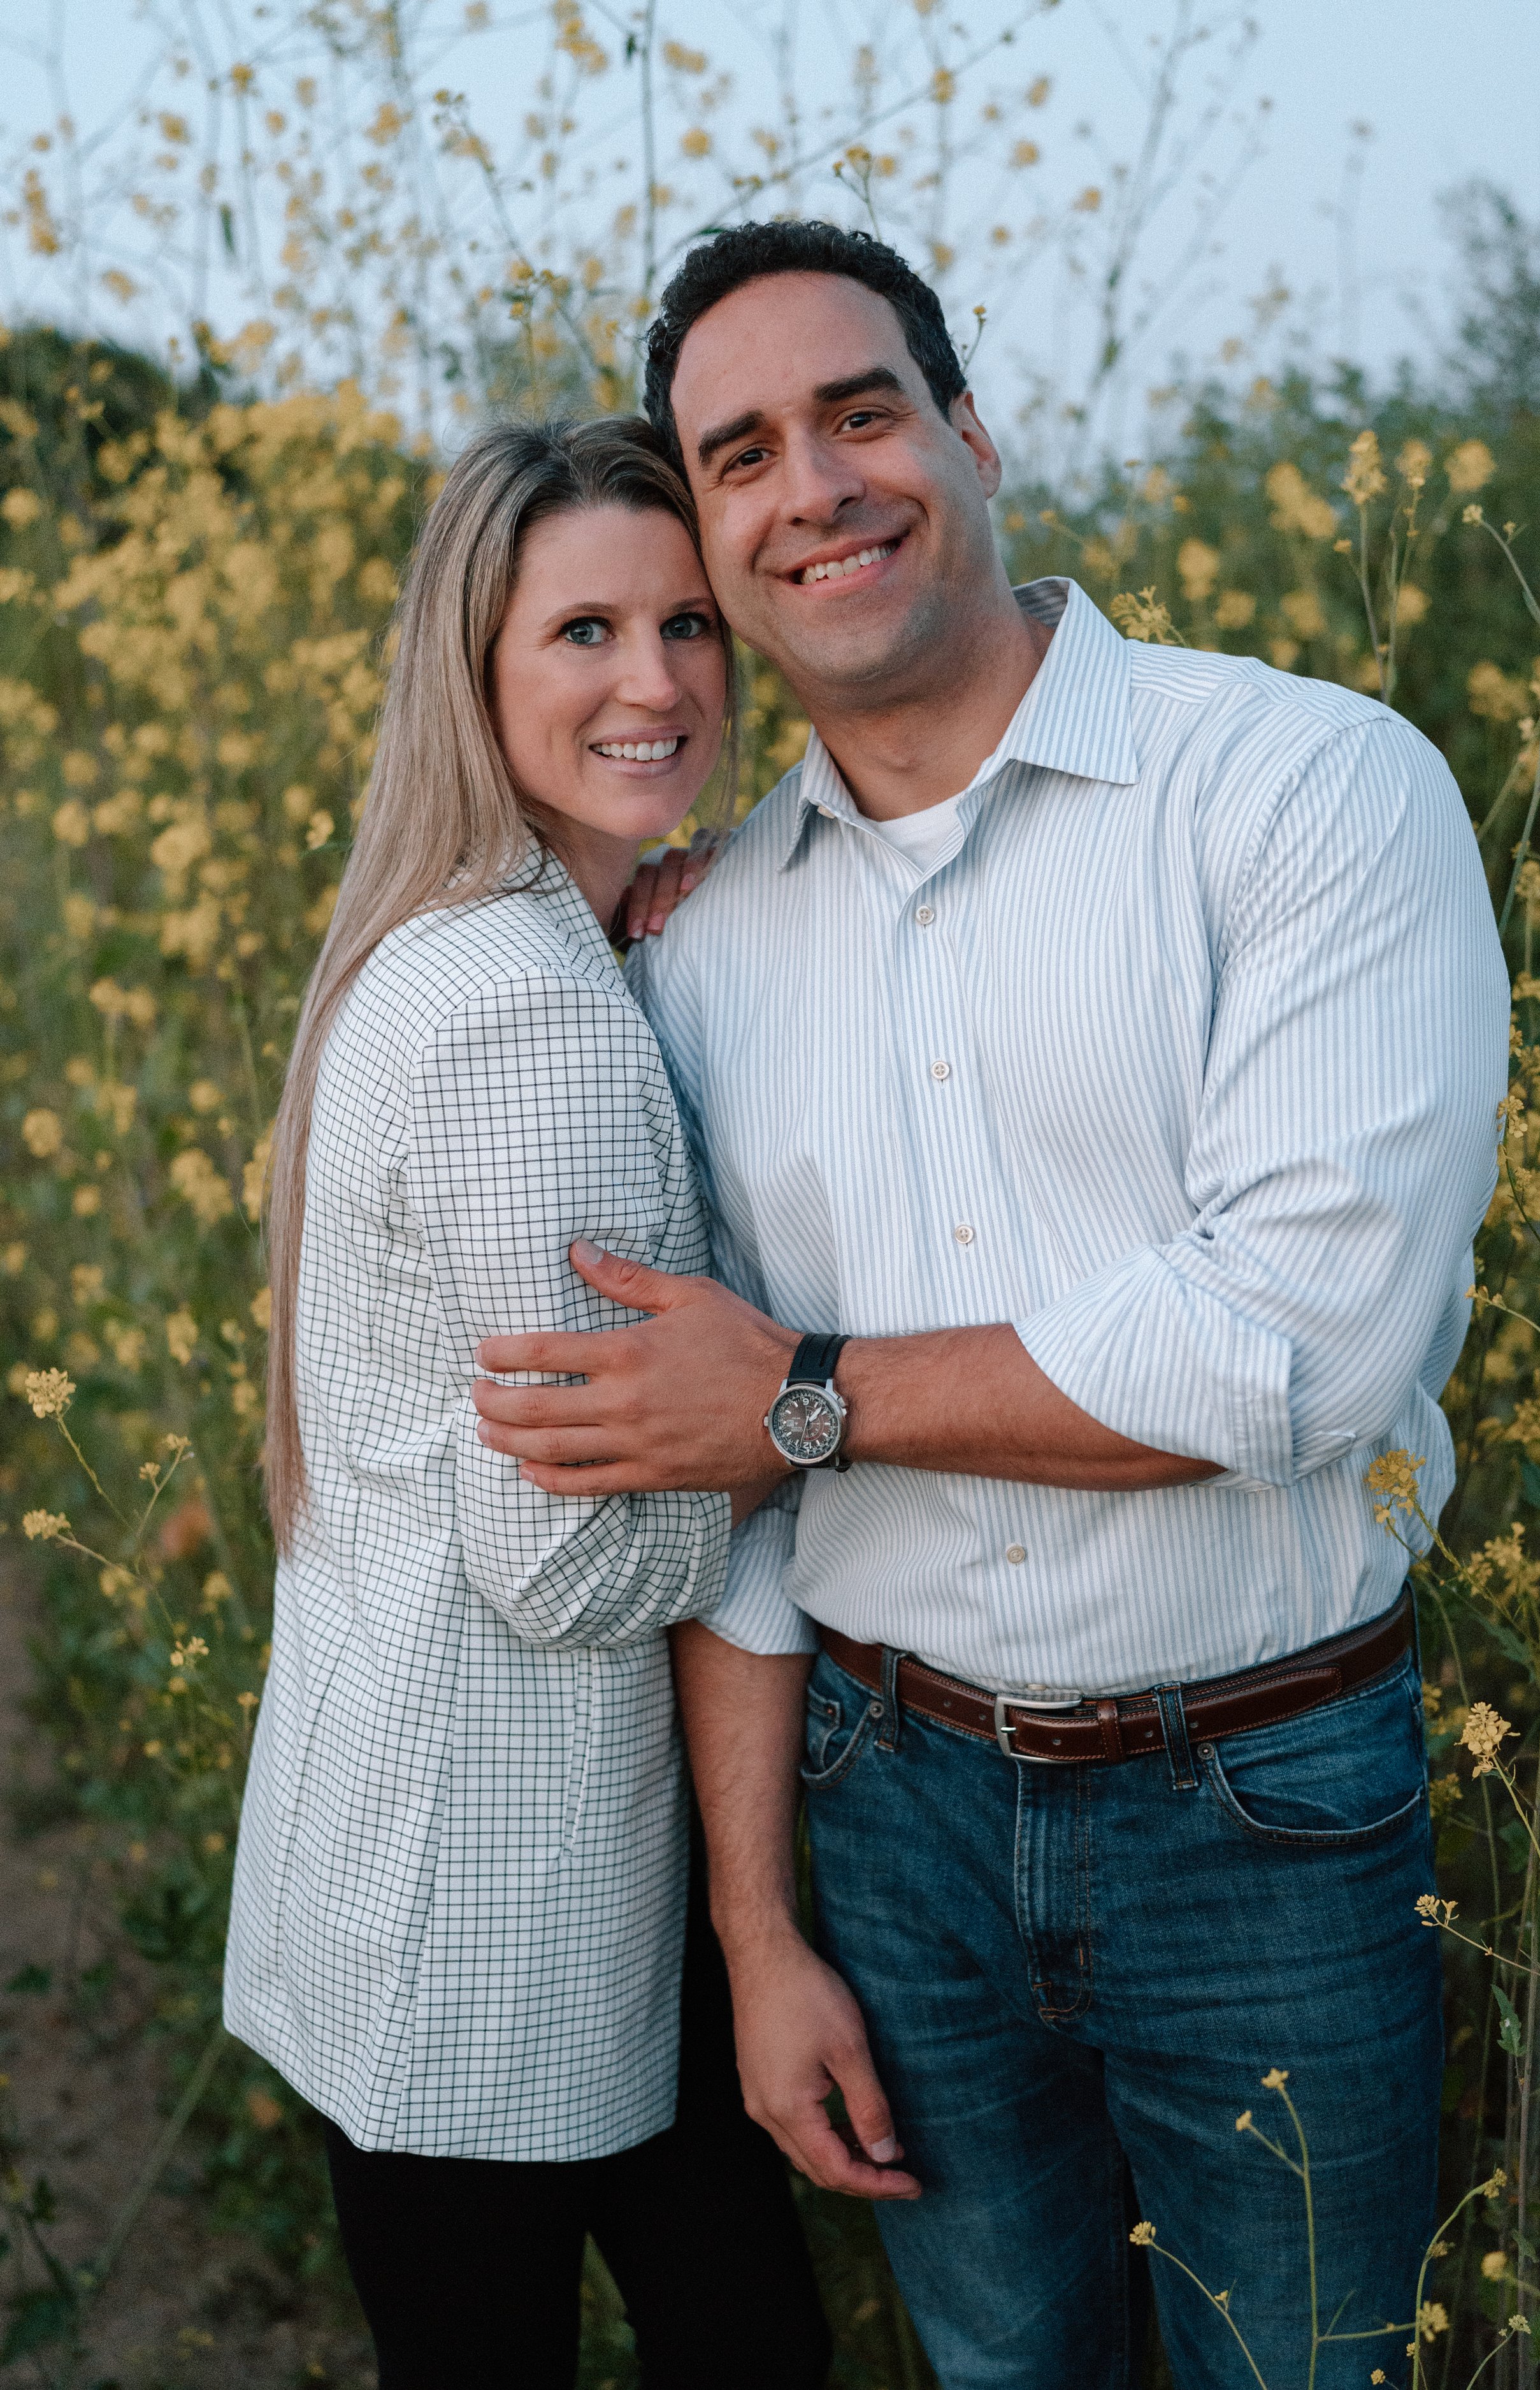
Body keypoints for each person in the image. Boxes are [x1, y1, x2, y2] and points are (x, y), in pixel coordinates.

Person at [470, 226, 1510, 2389]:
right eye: (735, 454)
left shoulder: (1304, 788)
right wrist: (759, 1941)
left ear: (970, 430)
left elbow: (1290, 1349)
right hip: (890, 1805)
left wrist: (809, 1397)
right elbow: (717, 1475)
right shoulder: (704, 941)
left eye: (858, 413)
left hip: (1267, 1808)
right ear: (711, 533)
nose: (810, 487)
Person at [224, 416, 828, 2390]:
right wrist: (784, 1439)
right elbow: (568, 1563)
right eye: (581, 630)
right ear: (475, 669)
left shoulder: (462, 949)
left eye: (683, 625)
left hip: (421, 1870)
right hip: (502, 1907)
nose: (652, 683)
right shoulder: (525, 1014)